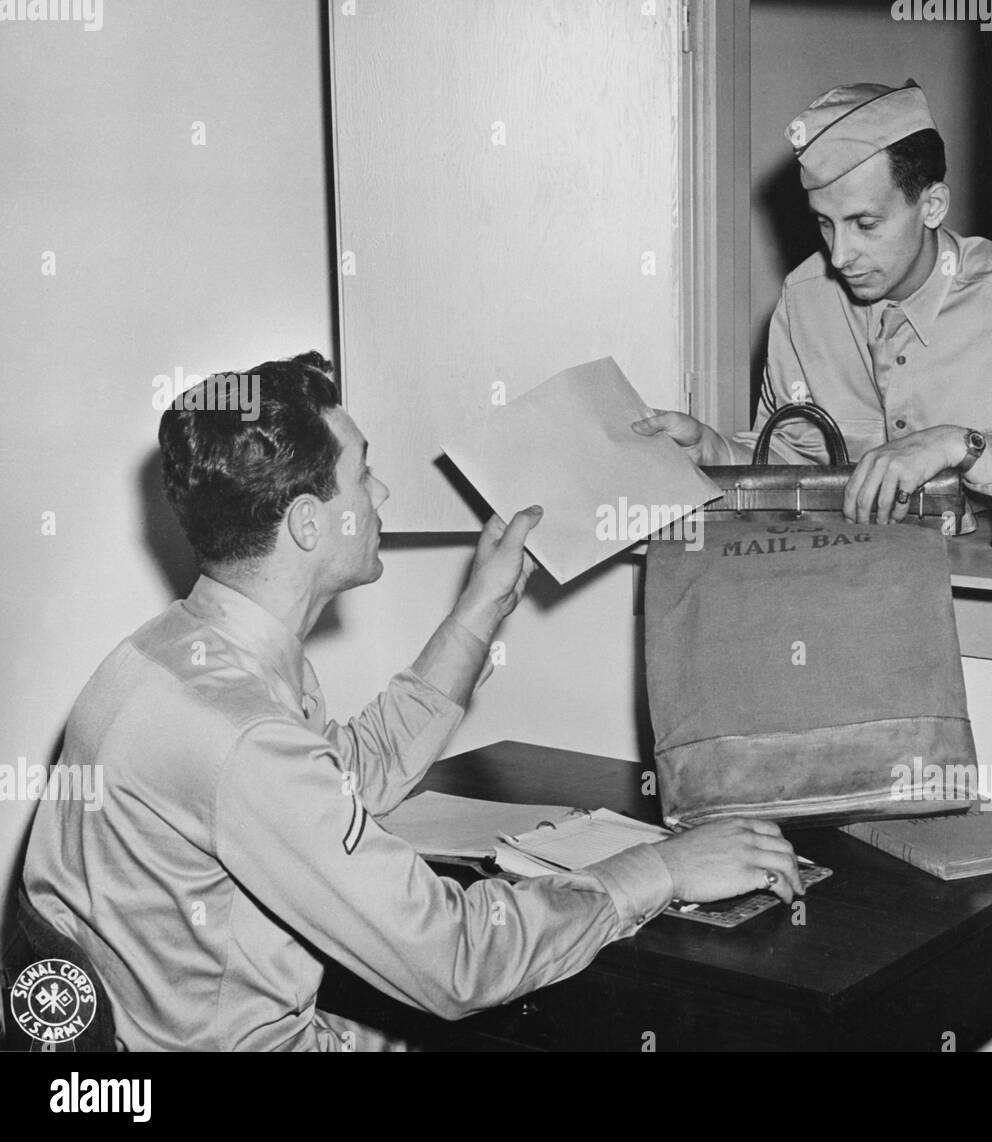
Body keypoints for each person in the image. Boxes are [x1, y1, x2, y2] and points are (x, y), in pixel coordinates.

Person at [21, 351, 800, 1051]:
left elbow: (335, 777)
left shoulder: (166, 657)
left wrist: (476, 614)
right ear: (305, 523)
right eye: (363, 474)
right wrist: (661, 868)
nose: (382, 489)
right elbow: (455, 961)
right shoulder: (244, 735)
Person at [634, 80, 992, 526]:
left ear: (932, 206)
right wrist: (713, 451)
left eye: (865, 224)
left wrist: (959, 445)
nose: (840, 256)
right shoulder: (803, 299)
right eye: (825, 224)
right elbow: (790, 461)